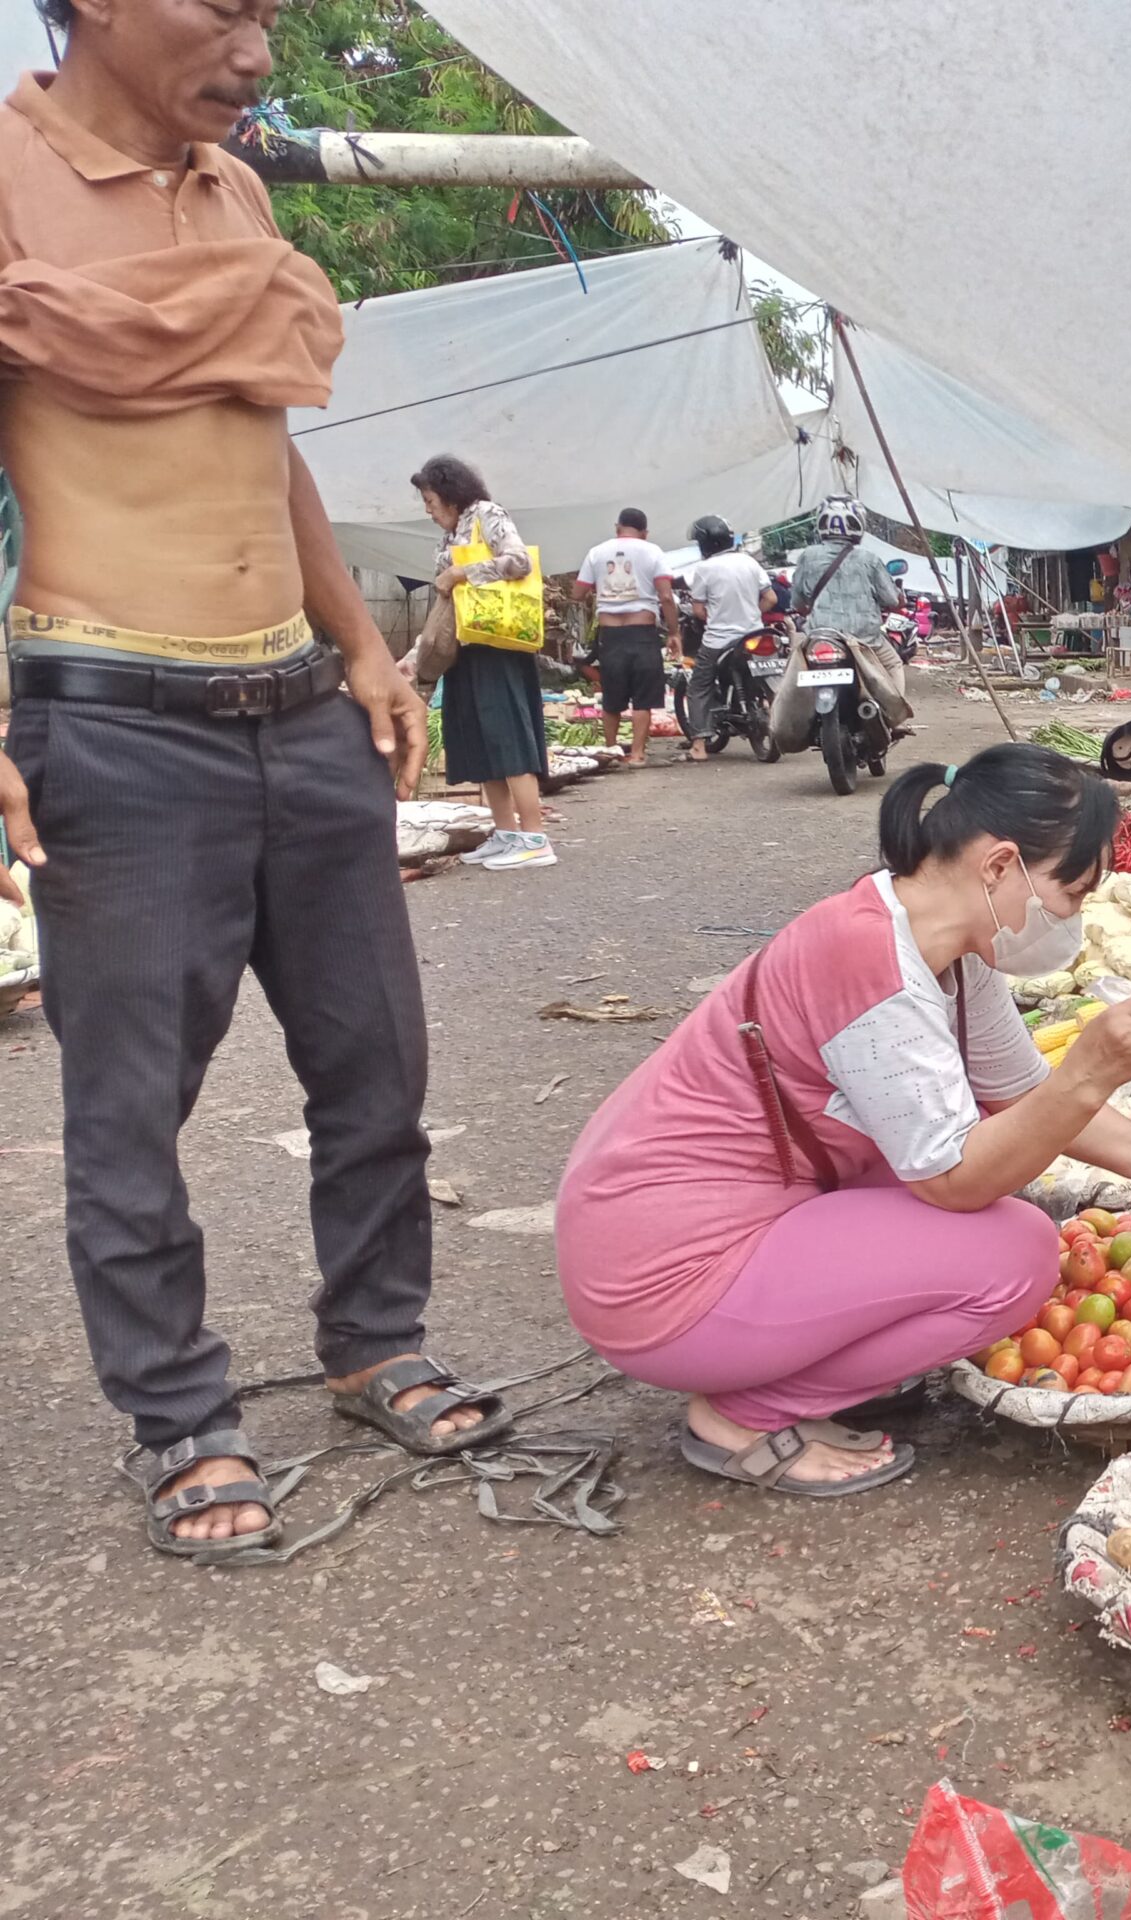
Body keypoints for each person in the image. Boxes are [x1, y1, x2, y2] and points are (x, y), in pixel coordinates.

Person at [0, 2, 512, 1560]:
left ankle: (373, 1339)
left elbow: (265, 445)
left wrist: (359, 644)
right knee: (131, 1101)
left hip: (299, 700)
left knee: (375, 1061)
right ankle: (179, 1413)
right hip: (114, 717)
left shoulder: (233, 187)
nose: (258, 48)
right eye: (225, 6)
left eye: (272, 14)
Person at [555, 747, 1131, 1493]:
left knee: (989, 1174)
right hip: (659, 1275)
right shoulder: (869, 961)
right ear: (999, 866)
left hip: (727, 1217)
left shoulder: (953, 947)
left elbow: (1021, 1095)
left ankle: (821, 1362)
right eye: (1071, 893)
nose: (1072, 919)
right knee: (1014, 1255)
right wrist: (1089, 1072)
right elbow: (956, 1178)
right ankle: (746, 1414)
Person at [414, 455, 553, 870]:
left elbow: (520, 561)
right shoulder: (449, 535)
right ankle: (506, 833)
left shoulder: (486, 514)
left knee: (508, 736)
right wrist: (417, 654)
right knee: (482, 741)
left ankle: (535, 838)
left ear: (450, 494)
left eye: (430, 500)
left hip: (498, 647)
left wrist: (462, 573)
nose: (427, 509)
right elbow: (445, 607)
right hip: (466, 648)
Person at [570, 506, 682, 769]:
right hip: (642, 633)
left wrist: (603, 590)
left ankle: (612, 753)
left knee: (612, 697)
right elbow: (666, 596)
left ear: (617, 528)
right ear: (645, 532)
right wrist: (674, 632)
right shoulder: (652, 551)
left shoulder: (596, 553)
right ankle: (638, 754)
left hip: (610, 636)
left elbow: (577, 593)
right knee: (643, 697)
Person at [788, 494, 907, 701]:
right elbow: (892, 600)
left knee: (791, 671)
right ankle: (896, 714)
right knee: (894, 664)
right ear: (858, 524)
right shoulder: (869, 559)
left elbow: (798, 603)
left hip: (819, 637)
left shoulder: (807, 556)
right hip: (865, 638)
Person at [682, 513, 775, 763]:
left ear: (705, 543)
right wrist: (751, 614)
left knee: (698, 686)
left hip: (720, 641)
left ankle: (699, 746)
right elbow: (771, 598)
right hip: (755, 635)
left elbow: (698, 610)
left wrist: (716, 617)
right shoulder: (749, 562)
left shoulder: (704, 569)